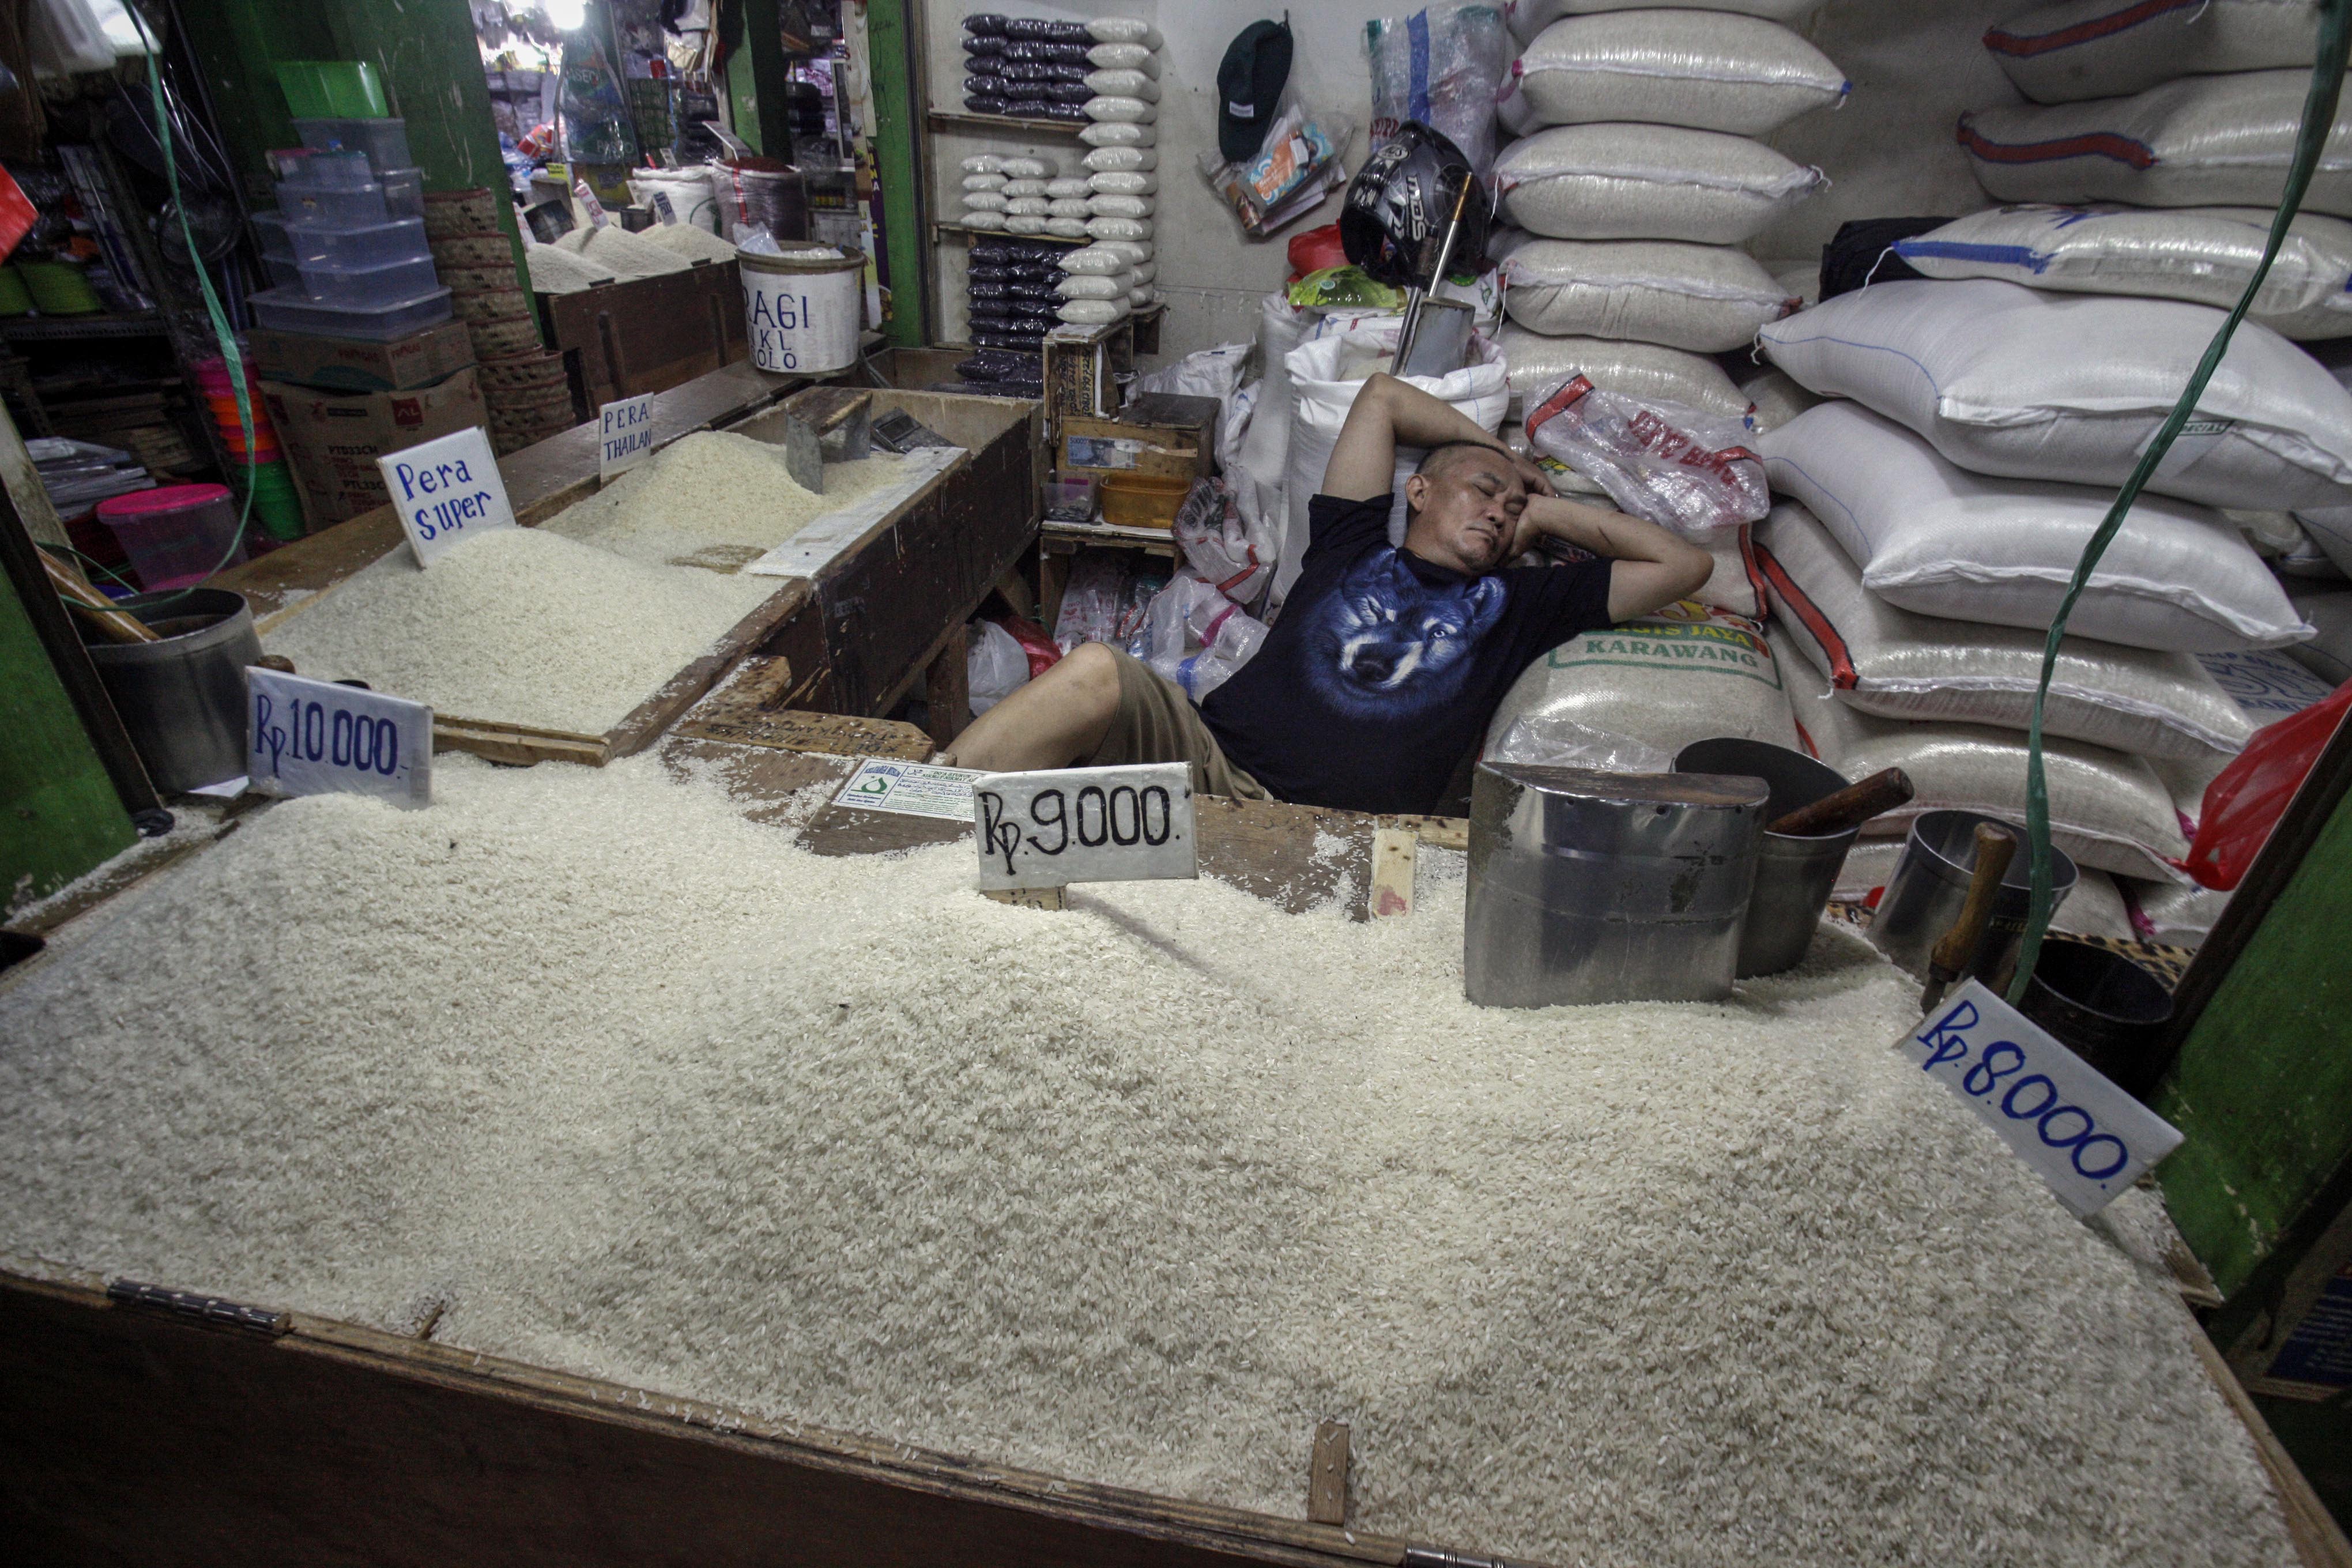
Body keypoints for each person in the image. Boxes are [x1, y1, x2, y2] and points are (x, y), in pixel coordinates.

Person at [942, 372, 1712, 815]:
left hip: (1330, 832)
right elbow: (1381, 397)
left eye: (1508, 511)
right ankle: (915, 810)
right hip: (1209, 764)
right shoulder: (1351, 542)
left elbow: (1684, 565)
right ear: (1419, 489)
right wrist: (1503, 454)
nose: (1497, 510)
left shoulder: (1519, 604)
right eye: (1480, 494)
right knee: (1097, 671)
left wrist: (1537, 507)